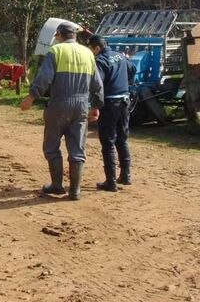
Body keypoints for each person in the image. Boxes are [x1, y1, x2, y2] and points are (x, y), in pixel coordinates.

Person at [20, 21, 102, 200]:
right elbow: (97, 84)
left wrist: (31, 97)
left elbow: (44, 78)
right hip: (81, 106)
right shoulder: (88, 53)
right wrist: (96, 106)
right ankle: (75, 191)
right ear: (75, 36)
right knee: (77, 149)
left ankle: (57, 185)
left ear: (59, 35)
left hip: (58, 105)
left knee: (52, 147)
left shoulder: (56, 51)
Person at [88, 34, 136, 192]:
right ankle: (126, 176)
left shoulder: (100, 61)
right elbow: (133, 68)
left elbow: (97, 84)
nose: (92, 52)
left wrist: (94, 105)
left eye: (92, 49)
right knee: (122, 139)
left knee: (108, 142)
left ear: (97, 47)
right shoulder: (120, 57)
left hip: (109, 105)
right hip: (124, 102)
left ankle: (111, 182)